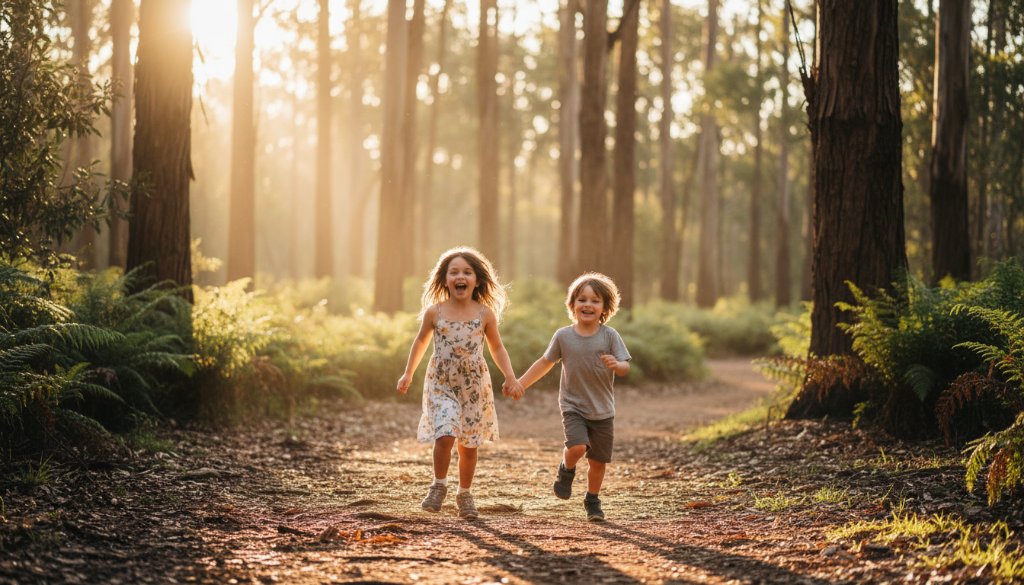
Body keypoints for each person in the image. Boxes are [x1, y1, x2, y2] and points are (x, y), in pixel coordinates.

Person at [397, 246, 522, 520]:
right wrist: (408, 373)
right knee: (445, 435)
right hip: (441, 382)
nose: (460, 276)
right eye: (454, 272)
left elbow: (497, 348)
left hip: (474, 386)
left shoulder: (484, 314)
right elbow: (420, 342)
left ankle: (464, 493)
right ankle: (438, 485)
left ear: (477, 280)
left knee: (469, 445)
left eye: (467, 272)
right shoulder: (435, 313)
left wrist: (511, 377)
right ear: (445, 280)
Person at [515, 272, 631, 521]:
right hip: (573, 406)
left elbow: (625, 367)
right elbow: (544, 363)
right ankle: (566, 469)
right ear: (572, 305)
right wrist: (520, 383)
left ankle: (592, 499)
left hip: (603, 410)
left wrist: (616, 365)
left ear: (605, 308)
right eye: (581, 299)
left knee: (598, 461)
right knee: (577, 446)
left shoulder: (610, 336)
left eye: (595, 300)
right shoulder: (563, 336)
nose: (587, 304)